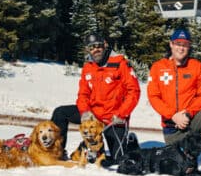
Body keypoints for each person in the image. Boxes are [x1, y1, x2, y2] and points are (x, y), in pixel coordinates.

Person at [51, 34, 141, 163]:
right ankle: (57, 152)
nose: (96, 50)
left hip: (113, 118)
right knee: (60, 113)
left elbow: (134, 92)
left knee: (118, 159)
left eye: (98, 46)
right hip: (94, 115)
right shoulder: (88, 67)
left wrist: (122, 114)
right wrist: (85, 112)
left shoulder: (120, 64)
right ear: (88, 49)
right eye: (91, 47)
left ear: (104, 45)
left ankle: (131, 143)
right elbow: (83, 94)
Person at [147, 28, 201, 161]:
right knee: (179, 163)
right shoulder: (158, 67)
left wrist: (188, 113)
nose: (181, 48)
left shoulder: (196, 66)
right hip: (171, 124)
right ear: (171, 44)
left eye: (185, 45)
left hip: (191, 119)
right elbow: (153, 96)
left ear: (189, 46)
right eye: (178, 44)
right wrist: (173, 115)